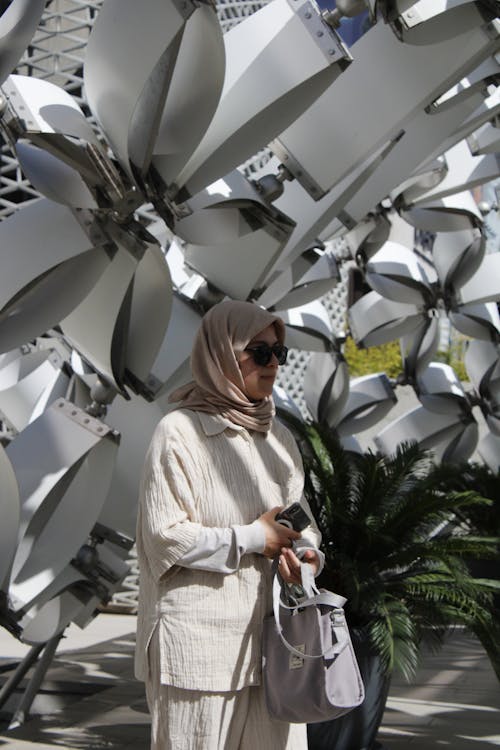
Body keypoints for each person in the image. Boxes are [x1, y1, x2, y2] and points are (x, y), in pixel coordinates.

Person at [135, 300, 324, 750]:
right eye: (260, 352)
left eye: (280, 353)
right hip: (197, 654)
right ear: (221, 353)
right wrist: (256, 538)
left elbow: (302, 522)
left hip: (274, 652)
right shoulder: (180, 433)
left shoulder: (278, 438)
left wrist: (308, 556)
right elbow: (165, 538)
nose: (273, 364)